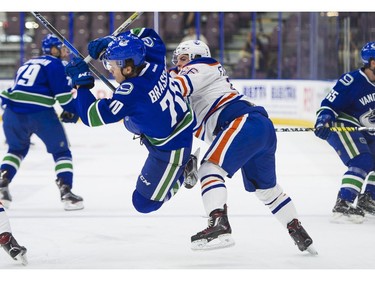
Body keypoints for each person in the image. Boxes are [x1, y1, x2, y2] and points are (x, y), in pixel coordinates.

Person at [170, 39, 317, 254]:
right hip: (256, 128)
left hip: (243, 122)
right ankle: (298, 232)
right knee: (266, 191)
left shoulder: (203, 66)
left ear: (196, 58)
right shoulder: (193, 94)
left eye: (183, 59)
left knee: (210, 168)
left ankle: (219, 223)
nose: (179, 65)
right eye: (178, 61)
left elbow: (175, 86)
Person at [64, 28, 195, 214]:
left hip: (172, 146)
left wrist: (82, 84)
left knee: (143, 204)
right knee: (129, 117)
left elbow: (90, 117)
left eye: (112, 67)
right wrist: (113, 41)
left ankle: (186, 169)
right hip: (168, 121)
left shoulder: (132, 93)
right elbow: (148, 34)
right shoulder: (153, 57)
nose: (110, 71)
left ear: (128, 68)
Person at [0, 34, 84, 211]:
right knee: (61, 152)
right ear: (53, 49)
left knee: (15, 150)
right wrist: (74, 110)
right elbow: (63, 98)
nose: (64, 52)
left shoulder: (28, 63)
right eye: (61, 48)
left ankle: (2, 184)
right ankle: (66, 192)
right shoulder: (56, 64)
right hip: (40, 114)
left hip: (12, 113)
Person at [314, 41, 375, 223]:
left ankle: (369, 199)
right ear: (372, 63)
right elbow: (328, 105)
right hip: (343, 123)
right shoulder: (352, 81)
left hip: (367, 129)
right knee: (362, 160)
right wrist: (324, 119)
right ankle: (344, 203)